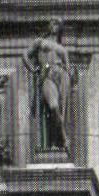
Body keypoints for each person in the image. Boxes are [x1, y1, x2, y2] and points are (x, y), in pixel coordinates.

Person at [24, 20, 72, 152]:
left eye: (56, 24)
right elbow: (25, 55)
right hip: (47, 75)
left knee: (61, 108)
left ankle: (60, 140)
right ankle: (63, 136)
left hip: (61, 76)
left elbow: (68, 68)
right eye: (52, 23)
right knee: (53, 106)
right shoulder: (40, 42)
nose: (54, 26)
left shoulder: (62, 49)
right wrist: (33, 69)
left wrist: (68, 76)